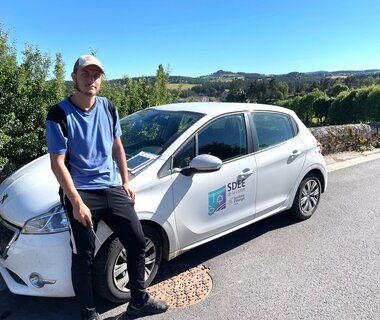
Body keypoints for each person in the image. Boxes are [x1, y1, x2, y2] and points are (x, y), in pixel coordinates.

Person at [45, 55, 168, 320]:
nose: (91, 80)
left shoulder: (109, 107)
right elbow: (57, 164)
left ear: (101, 79)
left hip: (112, 186)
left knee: (137, 242)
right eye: (86, 74)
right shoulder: (58, 114)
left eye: (96, 75)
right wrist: (76, 202)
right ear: (74, 76)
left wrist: (125, 181)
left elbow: (117, 146)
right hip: (82, 193)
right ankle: (89, 315)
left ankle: (139, 301)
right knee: (84, 256)